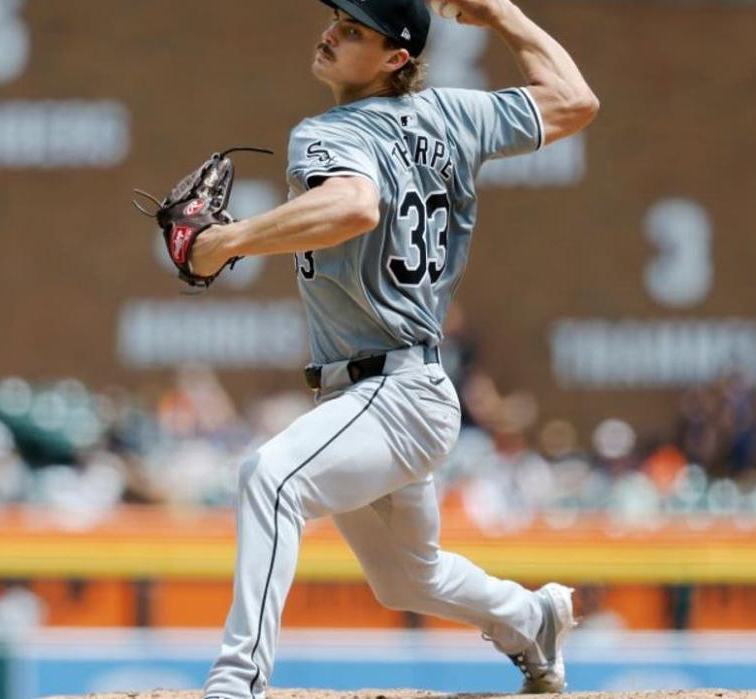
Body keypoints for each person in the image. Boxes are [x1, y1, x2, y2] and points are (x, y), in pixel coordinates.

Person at [188, 0, 598, 696]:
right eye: (335, 21)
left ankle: (236, 683)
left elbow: (353, 206)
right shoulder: (452, 116)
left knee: (270, 477)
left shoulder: (327, 130)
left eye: (354, 31)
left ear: (395, 58)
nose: (330, 34)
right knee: (409, 575)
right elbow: (574, 100)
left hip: (393, 393)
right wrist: (503, 15)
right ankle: (532, 619)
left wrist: (226, 241)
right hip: (395, 393)